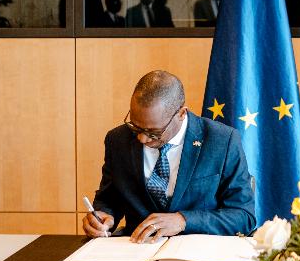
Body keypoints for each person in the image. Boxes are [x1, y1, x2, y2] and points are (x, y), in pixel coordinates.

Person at [84, 71, 256, 240]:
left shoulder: (222, 140)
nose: (142, 138)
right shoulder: (117, 140)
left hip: (198, 251)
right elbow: (109, 199)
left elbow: (243, 216)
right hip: (137, 249)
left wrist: (184, 221)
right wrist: (103, 217)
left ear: (181, 114)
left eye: (153, 132)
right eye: (135, 127)